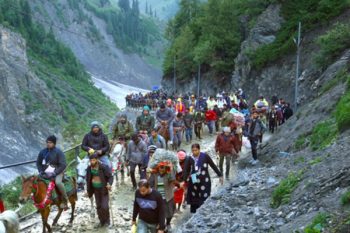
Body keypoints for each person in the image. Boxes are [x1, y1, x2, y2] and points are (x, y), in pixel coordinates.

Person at [183, 144, 223, 213]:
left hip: (204, 179)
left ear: (199, 150)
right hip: (194, 178)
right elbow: (186, 170)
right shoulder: (190, 158)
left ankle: (203, 211)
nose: (194, 152)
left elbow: (213, 165)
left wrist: (220, 175)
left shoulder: (205, 156)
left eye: (196, 150)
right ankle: (194, 212)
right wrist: (184, 180)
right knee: (194, 194)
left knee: (204, 194)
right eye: (193, 150)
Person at [37, 135, 68, 209]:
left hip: (57, 171)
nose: (48, 144)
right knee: (36, 182)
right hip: (45, 171)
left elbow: (63, 164)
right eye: (47, 142)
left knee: (58, 183)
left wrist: (55, 172)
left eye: (50, 142)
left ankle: (65, 200)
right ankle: (39, 201)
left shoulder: (59, 152)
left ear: (54, 143)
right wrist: (41, 171)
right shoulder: (42, 152)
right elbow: (38, 163)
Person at [86, 153, 113, 228]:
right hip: (95, 189)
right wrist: (88, 190)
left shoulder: (103, 167)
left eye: (93, 160)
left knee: (104, 206)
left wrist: (109, 184)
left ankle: (107, 221)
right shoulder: (89, 168)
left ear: (97, 160)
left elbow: (110, 176)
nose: (92, 162)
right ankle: (102, 221)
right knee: (98, 206)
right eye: (91, 160)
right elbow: (87, 179)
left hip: (103, 189)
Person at [149, 162, 176, 231]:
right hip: (158, 198)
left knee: (170, 213)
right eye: (160, 167)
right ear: (158, 167)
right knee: (158, 213)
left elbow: (172, 179)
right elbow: (150, 184)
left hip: (168, 197)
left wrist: (171, 169)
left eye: (163, 167)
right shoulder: (154, 174)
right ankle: (160, 224)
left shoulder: (168, 174)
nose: (161, 169)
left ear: (166, 168)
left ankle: (168, 223)